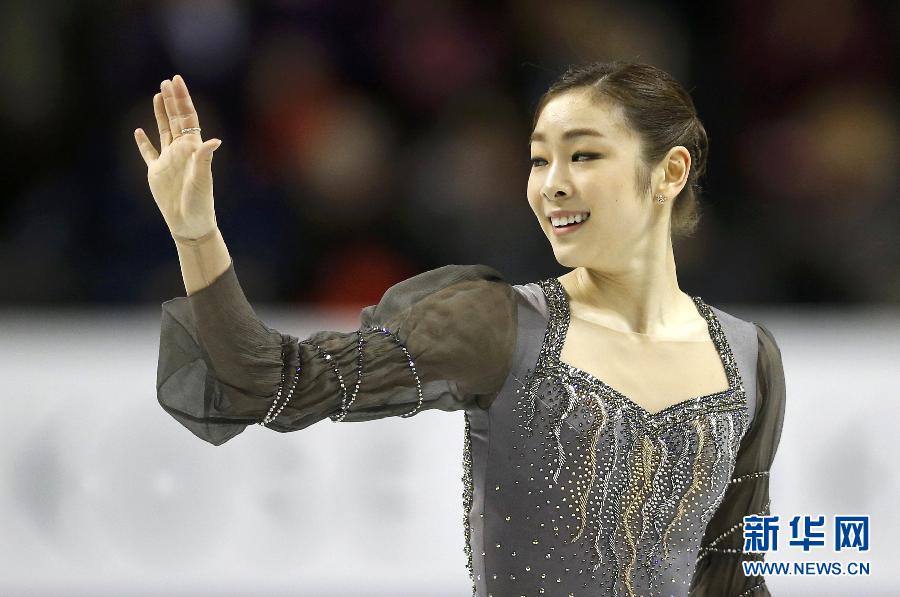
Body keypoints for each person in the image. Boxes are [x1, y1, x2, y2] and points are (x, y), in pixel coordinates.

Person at [135, 61, 786, 597]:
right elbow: (270, 383)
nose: (552, 186)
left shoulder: (748, 359)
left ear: (668, 173)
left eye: (583, 155)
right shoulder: (494, 325)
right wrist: (197, 236)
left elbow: (737, 575)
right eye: (539, 161)